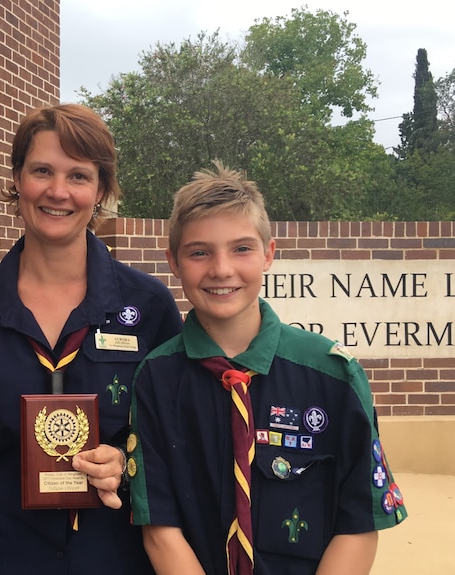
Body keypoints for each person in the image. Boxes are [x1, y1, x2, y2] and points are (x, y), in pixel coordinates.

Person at [0, 103, 184, 574]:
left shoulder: (149, 307)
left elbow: (175, 440)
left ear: (101, 189)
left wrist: (126, 466)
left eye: (79, 176)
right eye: (42, 170)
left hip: (116, 553)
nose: (58, 192)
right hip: (2, 551)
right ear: (17, 179)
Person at [128, 161, 407, 575]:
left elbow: (361, 519)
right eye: (199, 252)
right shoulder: (157, 377)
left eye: (241, 248)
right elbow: (160, 529)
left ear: (268, 254)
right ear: (174, 261)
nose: (221, 269)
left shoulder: (333, 376)